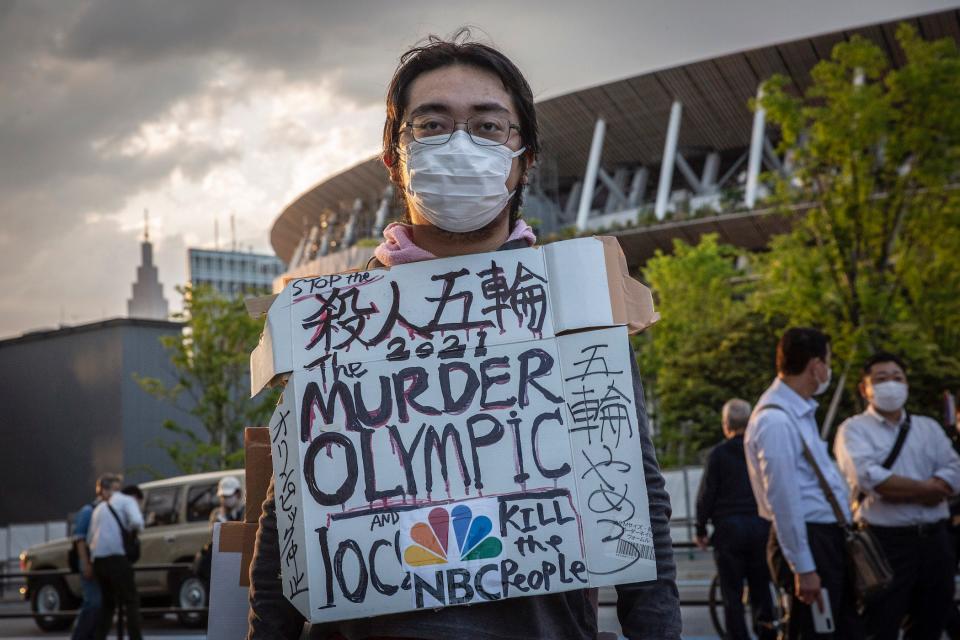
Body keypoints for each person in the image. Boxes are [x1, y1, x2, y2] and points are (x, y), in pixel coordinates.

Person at [247, 31, 681, 640]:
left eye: (488, 126)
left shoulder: (575, 303)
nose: (460, 143)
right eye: (431, 125)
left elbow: (633, 486)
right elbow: (286, 515)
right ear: (394, 158)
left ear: (523, 158)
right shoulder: (332, 318)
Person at [744, 327, 863, 639]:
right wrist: (804, 567)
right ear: (815, 366)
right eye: (828, 361)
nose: (829, 369)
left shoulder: (794, 413)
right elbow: (783, 499)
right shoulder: (776, 421)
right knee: (813, 632)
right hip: (810, 541)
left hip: (820, 539)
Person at [834, 352, 960, 640]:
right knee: (880, 622)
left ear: (907, 385)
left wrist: (913, 489)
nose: (890, 384)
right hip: (884, 543)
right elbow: (871, 479)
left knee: (932, 617)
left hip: (935, 541)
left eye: (897, 378)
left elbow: (954, 470)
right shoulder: (853, 430)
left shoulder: (928, 428)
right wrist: (930, 489)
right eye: (880, 379)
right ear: (864, 388)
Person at [695, 399, 776, 640]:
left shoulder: (718, 454)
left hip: (729, 528)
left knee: (732, 593)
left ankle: (738, 636)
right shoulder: (758, 449)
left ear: (725, 424)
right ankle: (767, 633)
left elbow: (707, 493)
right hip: (761, 525)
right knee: (762, 589)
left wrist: (700, 528)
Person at [87, 474, 145, 640]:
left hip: (98, 561)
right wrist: (132, 534)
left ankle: (99, 637)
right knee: (131, 600)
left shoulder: (98, 509)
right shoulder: (126, 501)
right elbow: (137, 522)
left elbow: (90, 538)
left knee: (108, 604)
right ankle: (135, 637)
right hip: (117, 559)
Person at [70, 475, 112, 640]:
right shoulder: (89, 511)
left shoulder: (106, 510)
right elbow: (79, 539)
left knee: (99, 605)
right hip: (89, 563)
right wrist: (85, 563)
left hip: (101, 564)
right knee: (93, 603)